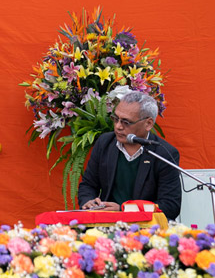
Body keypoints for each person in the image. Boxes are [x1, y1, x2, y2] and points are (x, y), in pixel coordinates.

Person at [78, 90, 182, 220]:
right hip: (105, 222)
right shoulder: (105, 143)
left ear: (148, 124)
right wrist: (88, 201)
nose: (118, 127)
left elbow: (170, 206)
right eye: (116, 119)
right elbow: (88, 185)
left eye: (126, 122)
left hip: (145, 229)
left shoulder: (163, 153)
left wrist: (124, 210)